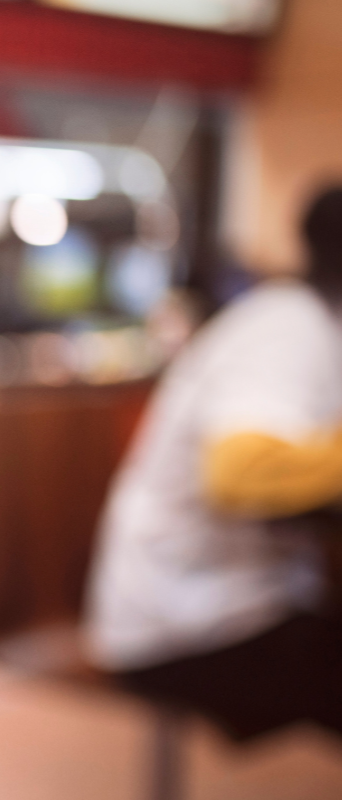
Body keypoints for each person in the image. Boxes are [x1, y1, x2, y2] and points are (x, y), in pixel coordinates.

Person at [86, 186, 342, 739]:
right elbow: (242, 474)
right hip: (195, 625)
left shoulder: (313, 325)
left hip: (243, 600)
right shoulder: (287, 330)